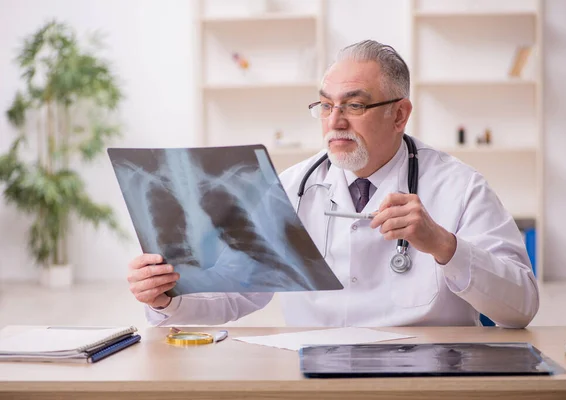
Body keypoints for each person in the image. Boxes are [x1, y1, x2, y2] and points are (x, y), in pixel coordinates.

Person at [127, 40, 539, 328]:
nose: (335, 120)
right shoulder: (291, 187)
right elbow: (238, 293)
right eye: (325, 105)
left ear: (399, 115)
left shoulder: (460, 188)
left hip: (423, 377)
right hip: (315, 377)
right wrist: (167, 297)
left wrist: (444, 246)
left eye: (354, 105)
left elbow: (520, 308)